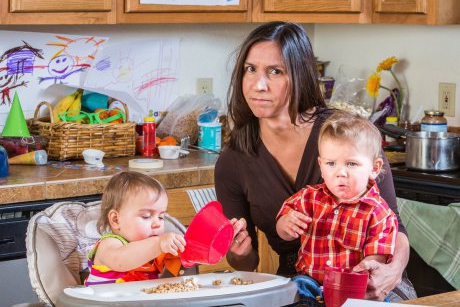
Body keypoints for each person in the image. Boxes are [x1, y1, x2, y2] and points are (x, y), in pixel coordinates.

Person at [214, 21, 416, 301]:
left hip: (372, 284)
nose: (258, 85)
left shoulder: (347, 135)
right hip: (301, 288)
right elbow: (246, 264)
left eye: (275, 71)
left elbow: (395, 225)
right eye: (251, 69)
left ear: (299, 75)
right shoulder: (233, 161)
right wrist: (240, 251)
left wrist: (392, 271)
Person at [276, 112, 398, 300]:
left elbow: (377, 258)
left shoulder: (379, 213)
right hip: (311, 284)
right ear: (321, 165)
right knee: (294, 288)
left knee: (382, 301)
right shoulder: (309, 198)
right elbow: (282, 229)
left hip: (354, 288)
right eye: (331, 163)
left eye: (351, 163)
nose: (340, 172)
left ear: (374, 168)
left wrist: (365, 269)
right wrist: (286, 224)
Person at [85, 171, 186, 285]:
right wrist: (158, 243)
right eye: (146, 216)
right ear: (116, 220)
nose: (157, 223)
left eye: (161, 217)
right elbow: (121, 261)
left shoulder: (154, 248)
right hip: (104, 302)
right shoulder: (109, 244)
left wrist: (181, 254)